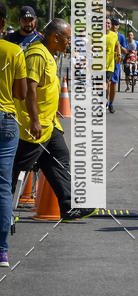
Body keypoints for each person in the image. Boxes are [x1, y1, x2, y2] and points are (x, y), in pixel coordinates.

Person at [11, 18, 97, 220]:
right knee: (16, 168)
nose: (70, 42)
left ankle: (68, 206)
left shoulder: (48, 53)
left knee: (59, 160)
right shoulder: (37, 54)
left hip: (49, 124)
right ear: (56, 37)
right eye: (68, 38)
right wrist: (34, 120)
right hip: (35, 125)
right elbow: (30, 89)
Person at [0, 0, 27, 267]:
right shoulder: (15, 51)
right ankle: (2, 250)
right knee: (3, 185)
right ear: (3, 23)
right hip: (7, 121)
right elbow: (20, 93)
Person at [110, 17, 127, 102]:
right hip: (106, 62)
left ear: (118, 26)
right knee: (105, 83)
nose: (114, 26)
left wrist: (119, 46)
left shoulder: (121, 37)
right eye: (112, 24)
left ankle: (110, 103)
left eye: (116, 24)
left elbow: (125, 50)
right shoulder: (105, 35)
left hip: (116, 62)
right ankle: (105, 100)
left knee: (113, 83)